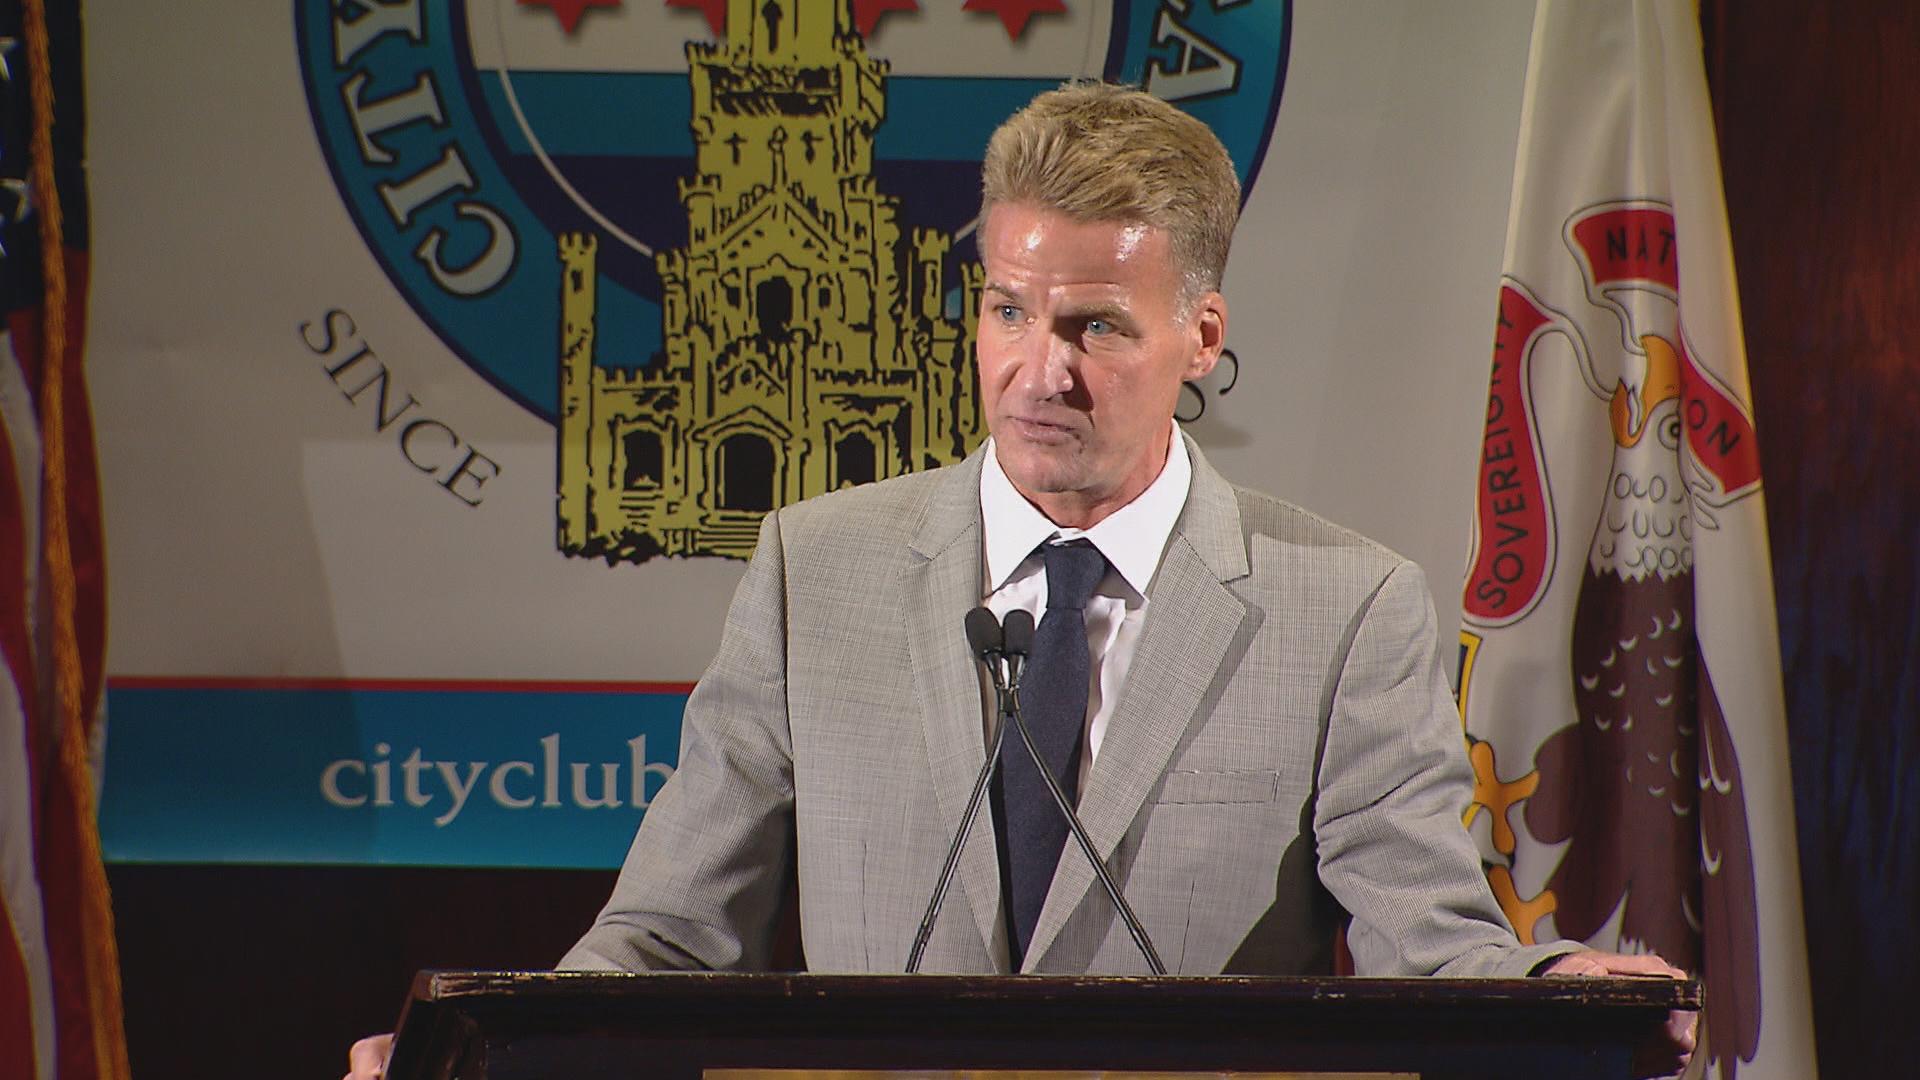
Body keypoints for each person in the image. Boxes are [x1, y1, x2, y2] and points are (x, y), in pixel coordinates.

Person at [348, 82, 1694, 1079]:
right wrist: (478, 1047)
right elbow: (667, 937)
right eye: (1008, 310)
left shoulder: (1341, 608)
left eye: (1096, 325)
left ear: (1201, 336)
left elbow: (1430, 947)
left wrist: (1557, 987)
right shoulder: (817, 571)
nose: (1037, 370)